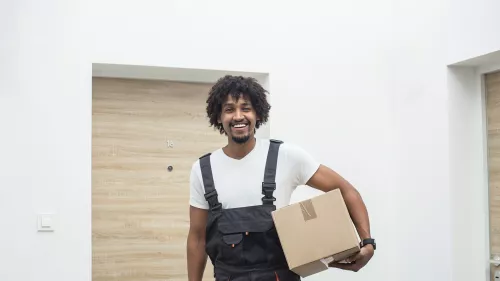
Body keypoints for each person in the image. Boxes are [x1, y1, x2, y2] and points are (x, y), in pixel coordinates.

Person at [186, 75, 375, 281]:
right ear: (219, 117)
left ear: (258, 113)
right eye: (229, 109)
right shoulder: (203, 169)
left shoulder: (286, 156)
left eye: (246, 108)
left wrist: (368, 242)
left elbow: (347, 190)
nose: (238, 116)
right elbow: (197, 238)